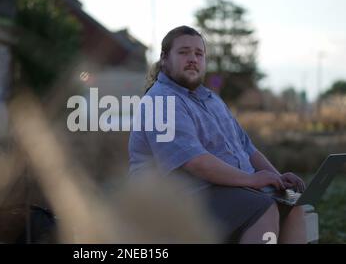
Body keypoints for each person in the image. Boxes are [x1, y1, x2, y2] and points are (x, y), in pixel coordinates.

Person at [128, 25, 307, 244]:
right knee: (262, 208)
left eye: (199, 53)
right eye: (184, 52)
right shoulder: (161, 101)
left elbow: (247, 149)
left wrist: (277, 177)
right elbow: (195, 162)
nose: (193, 58)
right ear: (165, 59)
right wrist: (252, 180)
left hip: (224, 192)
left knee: (294, 208)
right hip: (180, 199)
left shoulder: (212, 100)